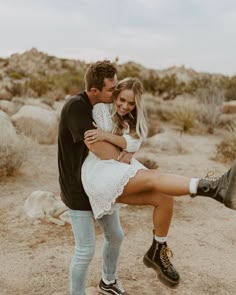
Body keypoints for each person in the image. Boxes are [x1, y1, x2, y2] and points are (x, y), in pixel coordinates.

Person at [82, 77, 236, 287]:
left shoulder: (129, 123)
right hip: (99, 172)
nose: (125, 106)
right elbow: (96, 141)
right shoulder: (101, 111)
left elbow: (133, 143)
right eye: (122, 100)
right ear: (115, 95)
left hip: (118, 171)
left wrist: (113, 139)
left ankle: (157, 250)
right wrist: (116, 143)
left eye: (131, 103)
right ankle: (212, 187)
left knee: (164, 197)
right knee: (155, 177)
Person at [58, 61, 131, 295]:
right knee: (85, 249)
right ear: (94, 91)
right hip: (77, 187)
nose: (116, 93)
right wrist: (125, 154)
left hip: (100, 183)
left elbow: (125, 135)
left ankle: (107, 282)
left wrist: (127, 147)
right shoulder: (76, 107)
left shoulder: (105, 108)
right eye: (111, 89)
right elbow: (98, 147)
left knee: (116, 236)